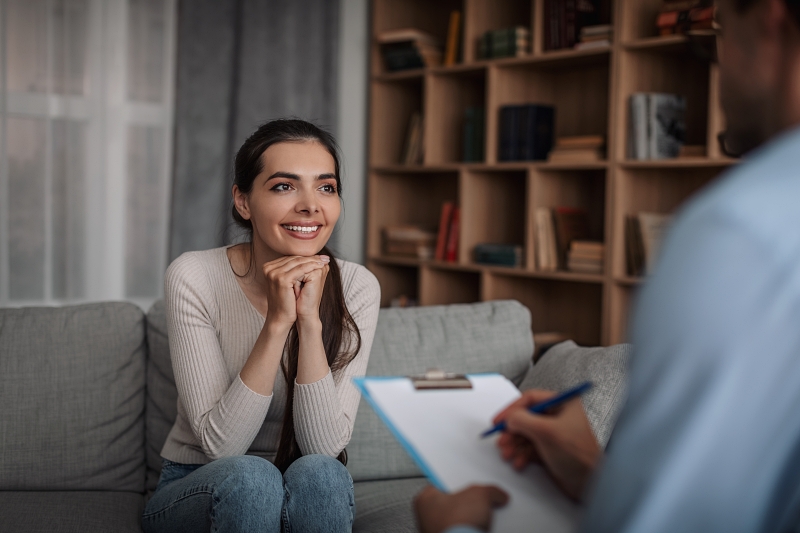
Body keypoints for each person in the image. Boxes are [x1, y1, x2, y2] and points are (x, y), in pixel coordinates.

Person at [415, 0, 800, 531]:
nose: (717, 65)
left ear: (769, 17)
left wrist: (452, 528)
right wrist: (599, 476)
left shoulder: (739, 233)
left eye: (720, 33)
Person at [142, 119, 380, 533]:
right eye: (284, 186)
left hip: (302, 486)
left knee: (323, 475)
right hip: (202, 484)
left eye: (326, 187)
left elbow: (324, 449)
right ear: (244, 201)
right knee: (252, 478)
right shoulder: (194, 276)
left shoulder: (358, 285)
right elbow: (223, 447)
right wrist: (277, 322)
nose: (311, 205)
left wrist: (307, 320)